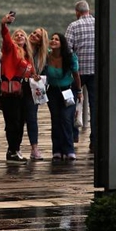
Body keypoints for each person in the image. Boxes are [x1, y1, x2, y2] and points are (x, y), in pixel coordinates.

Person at [0, 12, 34, 164]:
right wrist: (4, 24)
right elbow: (5, 38)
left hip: (23, 92)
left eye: (22, 35)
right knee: (12, 122)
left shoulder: (28, 56)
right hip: (10, 92)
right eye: (17, 35)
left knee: (21, 121)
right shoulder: (10, 49)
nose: (19, 36)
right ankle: (12, 150)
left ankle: (15, 149)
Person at [44, 32, 82, 161]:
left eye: (57, 39)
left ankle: (69, 150)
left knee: (66, 119)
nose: (53, 41)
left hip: (68, 91)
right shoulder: (47, 56)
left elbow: (76, 75)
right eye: (52, 39)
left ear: (62, 43)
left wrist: (79, 91)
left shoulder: (70, 57)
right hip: (53, 91)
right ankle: (57, 150)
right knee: (56, 120)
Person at [66, 0, 96, 153]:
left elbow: (67, 50)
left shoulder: (73, 26)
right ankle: (95, 141)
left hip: (77, 73)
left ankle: (73, 135)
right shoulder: (99, 24)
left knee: (71, 103)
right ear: (88, 11)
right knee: (95, 107)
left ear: (77, 12)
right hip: (95, 72)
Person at [27, 27, 50, 161]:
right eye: (34, 33)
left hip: (32, 89)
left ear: (41, 41)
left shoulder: (44, 56)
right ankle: (14, 148)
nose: (34, 35)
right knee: (16, 120)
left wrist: (40, 78)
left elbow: (46, 73)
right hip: (20, 86)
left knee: (32, 118)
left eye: (38, 35)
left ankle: (34, 148)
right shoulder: (23, 47)